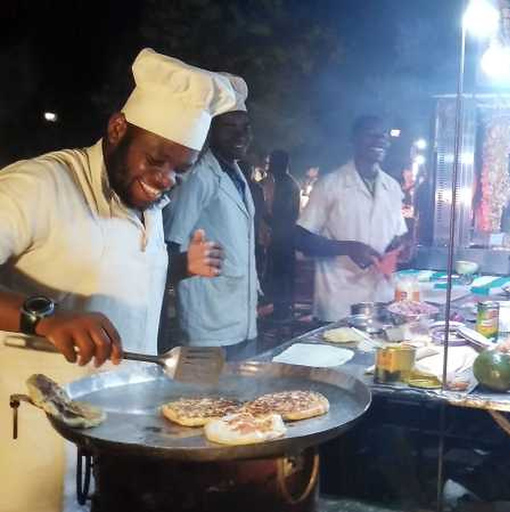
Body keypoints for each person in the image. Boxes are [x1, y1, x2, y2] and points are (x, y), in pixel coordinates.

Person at [0, 49, 235, 512]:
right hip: (34, 439)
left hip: (117, 439)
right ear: (117, 130)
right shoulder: (38, 185)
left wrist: (180, 269)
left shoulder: (148, 205)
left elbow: (119, 280)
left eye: (179, 171)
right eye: (156, 160)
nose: (164, 180)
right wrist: (44, 317)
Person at [163, 72, 261, 360]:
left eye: (245, 127)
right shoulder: (199, 177)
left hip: (240, 318)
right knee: (206, 403)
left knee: (242, 401)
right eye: (229, 126)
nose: (240, 135)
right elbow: (172, 242)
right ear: (210, 130)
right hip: (208, 323)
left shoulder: (235, 172)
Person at [296, 115, 408, 322]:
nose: (379, 140)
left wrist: (402, 249)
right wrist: (348, 248)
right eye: (371, 135)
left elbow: (397, 236)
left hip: (382, 300)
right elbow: (302, 239)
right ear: (354, 139)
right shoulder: (330, 185)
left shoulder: (392, 187)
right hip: (339, 304)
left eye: (383, 136)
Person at [263, 149, 301, 321]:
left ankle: (281, 311)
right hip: (283, 237)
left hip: (283, 238)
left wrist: (264, 215)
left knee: (280, 276)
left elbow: (282, 213)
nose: (269, 166)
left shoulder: (286, 184)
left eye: (272, 162)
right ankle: (281, 309)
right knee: (281, 276)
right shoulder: (283, 182)